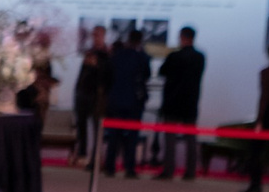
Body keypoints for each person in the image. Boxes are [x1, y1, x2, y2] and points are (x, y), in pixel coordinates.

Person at [156, 25, 206, 181]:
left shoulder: (174, 56)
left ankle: (169, 170)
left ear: (182, 37)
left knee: (170, 139)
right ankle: (190, 171)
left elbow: (162, 72)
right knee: (190, 138)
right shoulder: (199, 57)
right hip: (190, 102)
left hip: (173, 101)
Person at [103, 26, 151, 178]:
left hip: (116, 99)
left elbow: (108, 77)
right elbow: (146, 76)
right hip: (134, 101)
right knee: (132, 136)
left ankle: (110, 166)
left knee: (114, 135)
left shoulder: (117, 56)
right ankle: (129, 168)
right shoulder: (142, 57)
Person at [236, 51, 269, 192]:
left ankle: (255, 186)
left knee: (255, 151)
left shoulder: (267, 72)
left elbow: (264, 97)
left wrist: (259, 120)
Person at [71, 23, 109, 164]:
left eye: (97, 35)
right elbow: (82, 74)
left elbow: (107, 74)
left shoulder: (107, 54)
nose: (95, 38)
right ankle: (82, 153)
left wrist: (97, 65)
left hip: (96, 95)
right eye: (93, 35)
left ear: (103, 36)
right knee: (81, 124)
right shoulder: (89, 52)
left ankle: (95, 156)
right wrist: (77, 89)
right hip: (83, 93)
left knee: (96, 126)